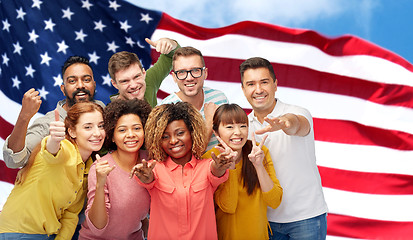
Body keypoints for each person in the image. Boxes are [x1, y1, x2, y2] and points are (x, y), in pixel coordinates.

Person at [239, 57, 328, 239]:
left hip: (306, 218)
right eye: (251, 84)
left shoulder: (299, 112)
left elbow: (298, 124)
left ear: (275, 85)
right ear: (243, 89)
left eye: (264, 82)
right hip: (265, 220)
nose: (258, 90)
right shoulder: (243, 126)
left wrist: (286, 123)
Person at [0, 102, 105, 239]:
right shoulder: (64, 148)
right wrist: (54, 139)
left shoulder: (88, 168)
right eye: (88, 127)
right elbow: (52, 152)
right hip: (18, 232)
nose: (97, 133)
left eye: (101, 126)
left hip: (46, 235)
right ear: (72, 131)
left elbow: (71, 216)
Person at [131, 102, 234, 240]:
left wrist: (220, 167)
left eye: (180, 133)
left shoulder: (207, 166)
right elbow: (149, 179)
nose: (173, 140)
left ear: (192, 133)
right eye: (165, 136)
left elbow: (215, 172)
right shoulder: (153, 168)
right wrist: (146, 177)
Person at [2, 56, 105, 169]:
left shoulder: (102, 109)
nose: (80, 85)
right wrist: (24, 117)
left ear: (94, 85)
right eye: (72, 81)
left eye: (86, 80)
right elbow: (13, 161)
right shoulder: (49, 123)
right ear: (63, 89)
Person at [202, 103, 283, 240]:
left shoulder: (259, 152)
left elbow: (274, 201)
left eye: (242, 126)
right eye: (229, 127)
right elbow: (228, 206)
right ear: (216, 132)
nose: (238, 132)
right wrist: (231, 167)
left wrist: (258, 166)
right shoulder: (211, 158)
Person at [78, 99, 152, 240]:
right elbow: (98, 227)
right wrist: (100, 184)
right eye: (122, 130)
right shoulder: (100, 168)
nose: (131, 134)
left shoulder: (150, 161)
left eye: (136, 128)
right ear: (112, 136)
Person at [160, 46, 228, 151]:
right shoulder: (164, 109)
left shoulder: (219, 98)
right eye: (182, 72)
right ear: (174, 77)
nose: (189, 78)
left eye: (195, 70)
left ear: (205, 73)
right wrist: (210, 121)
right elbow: (186, 155)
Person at [109, 38, 180, 107]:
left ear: (143, 73)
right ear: (115, 84)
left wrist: (169, 43)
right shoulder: (111, 114)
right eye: (125, 81)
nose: (133, 85)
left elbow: (172, 56)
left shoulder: (148, 80)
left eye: (136, 77)